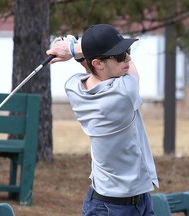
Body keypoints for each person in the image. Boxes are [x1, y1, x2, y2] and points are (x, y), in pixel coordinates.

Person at [46, 24, 159, 216]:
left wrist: (78, 52)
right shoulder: (125, 92)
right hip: (113, 208)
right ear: (98, 63)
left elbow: (95, 71)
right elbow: (126, 69)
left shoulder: (73, 87)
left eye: (127, 51)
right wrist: (72, 48)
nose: (128, 58)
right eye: (121, 55)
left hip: (130, 199)